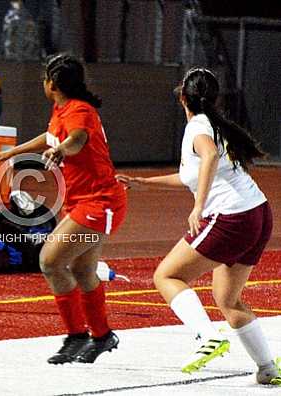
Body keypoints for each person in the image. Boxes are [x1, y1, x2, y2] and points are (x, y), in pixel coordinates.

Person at [117, 67, 280, 385]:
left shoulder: (198, 129)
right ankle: (267, 367)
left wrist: (198, 206)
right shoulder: (212, 125)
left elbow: (208, 158)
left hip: (231, 217)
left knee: (167, 275)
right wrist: (141, 181)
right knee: (228, 299)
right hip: (257, 214)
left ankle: (208, 337)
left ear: (182, 97)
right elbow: (190, 174)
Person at [0, 54, 127, 364]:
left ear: (54, 84)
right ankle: (101, 337)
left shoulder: (79, 112)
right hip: (86, 202)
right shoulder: (61, 109)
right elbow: (50, 137)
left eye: (45, 78)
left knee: (49, 261)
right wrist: (12, 153)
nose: (43, 83)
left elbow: (76, 139)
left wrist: (62, 149)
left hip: (99, 204)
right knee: (82, 269)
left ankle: (77, 336)